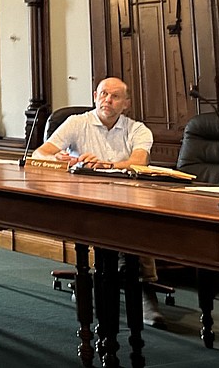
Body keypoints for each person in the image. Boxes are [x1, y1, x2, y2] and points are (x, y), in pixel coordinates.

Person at [33, 77, 165, 327]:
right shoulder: (76, 123)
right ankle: (110, 283)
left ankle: (141, 288)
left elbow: (139, 163)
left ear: (125, 103)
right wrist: (59, 159)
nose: (108, 100)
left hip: (126, 198)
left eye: (115, 96)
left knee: (136, 220)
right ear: (95, 96)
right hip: (83, 198)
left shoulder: (137, 130)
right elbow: (41, 153)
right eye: (103, 94)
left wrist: (107, 165)